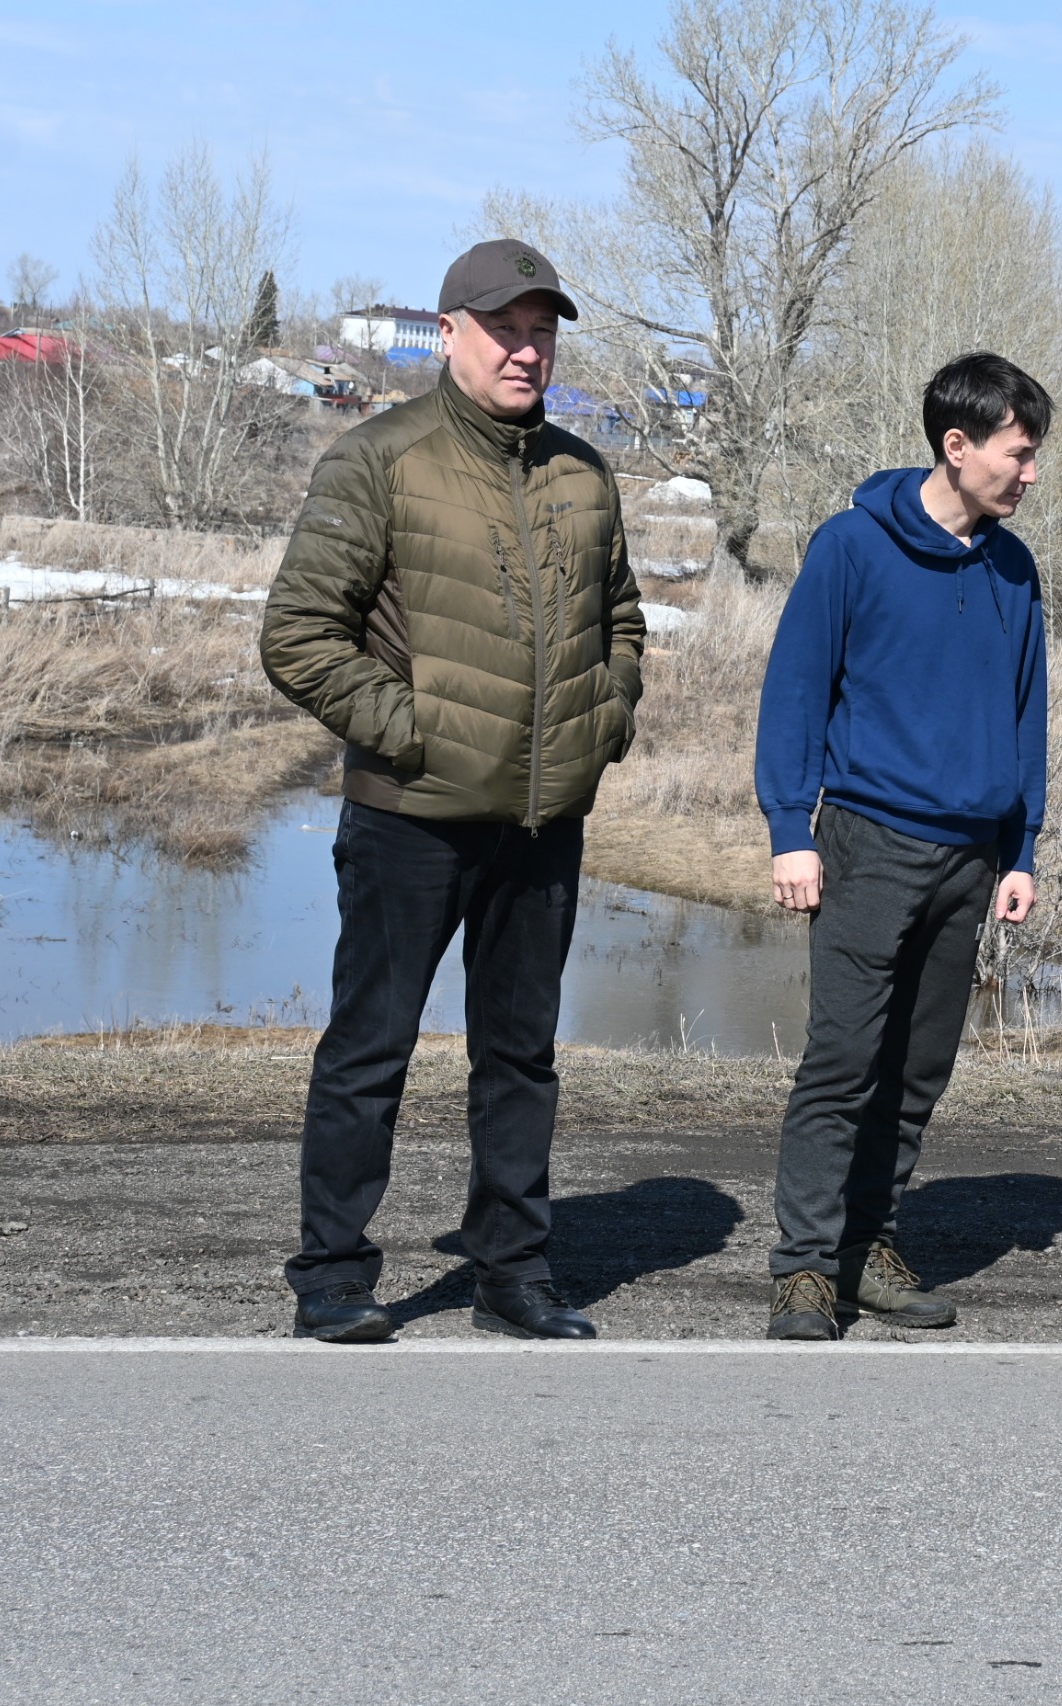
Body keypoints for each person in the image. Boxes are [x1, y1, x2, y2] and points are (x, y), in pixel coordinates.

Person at [262, 239, 643, 1342]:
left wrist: (605, 718)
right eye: (504, 329)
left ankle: (511, 1272)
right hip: (409, 818)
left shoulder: (584, 474)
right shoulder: (379, 459)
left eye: (541, 332)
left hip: (542, 822)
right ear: (449, 334)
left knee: (519, 1058)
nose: (526, 351)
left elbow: (621, 619)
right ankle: (333, 1275)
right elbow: (298, 635)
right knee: (369, 1050)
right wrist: (417, 734)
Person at [754, 353, 1050, 1341]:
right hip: (866, 842)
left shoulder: (1014, 567)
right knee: (842, 1063)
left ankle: (867, 1248)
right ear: (956, 446)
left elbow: (1028, 713)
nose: (1030, 473)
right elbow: (796, 690)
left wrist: (1021, 848)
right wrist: (789, 829)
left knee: (919, 1072)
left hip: (970, 860)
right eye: (1018, 453)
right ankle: (804, 1268)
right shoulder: (851, 546)